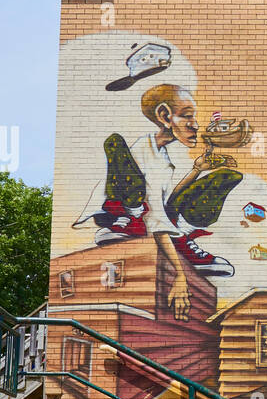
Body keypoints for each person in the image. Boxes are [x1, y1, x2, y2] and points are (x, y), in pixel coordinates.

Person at [75, 84, 243, 320]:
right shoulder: (144, 151)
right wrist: (180, 275)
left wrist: (196, 170)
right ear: (164, 116)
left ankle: (182, 233)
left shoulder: (162, 156)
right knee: (118, 149)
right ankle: (126, 219)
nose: (195, 124)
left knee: (226, 177)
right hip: (131, 218)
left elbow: (165, 206)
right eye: (186, 116)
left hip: (152, 218)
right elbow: (155, 219)